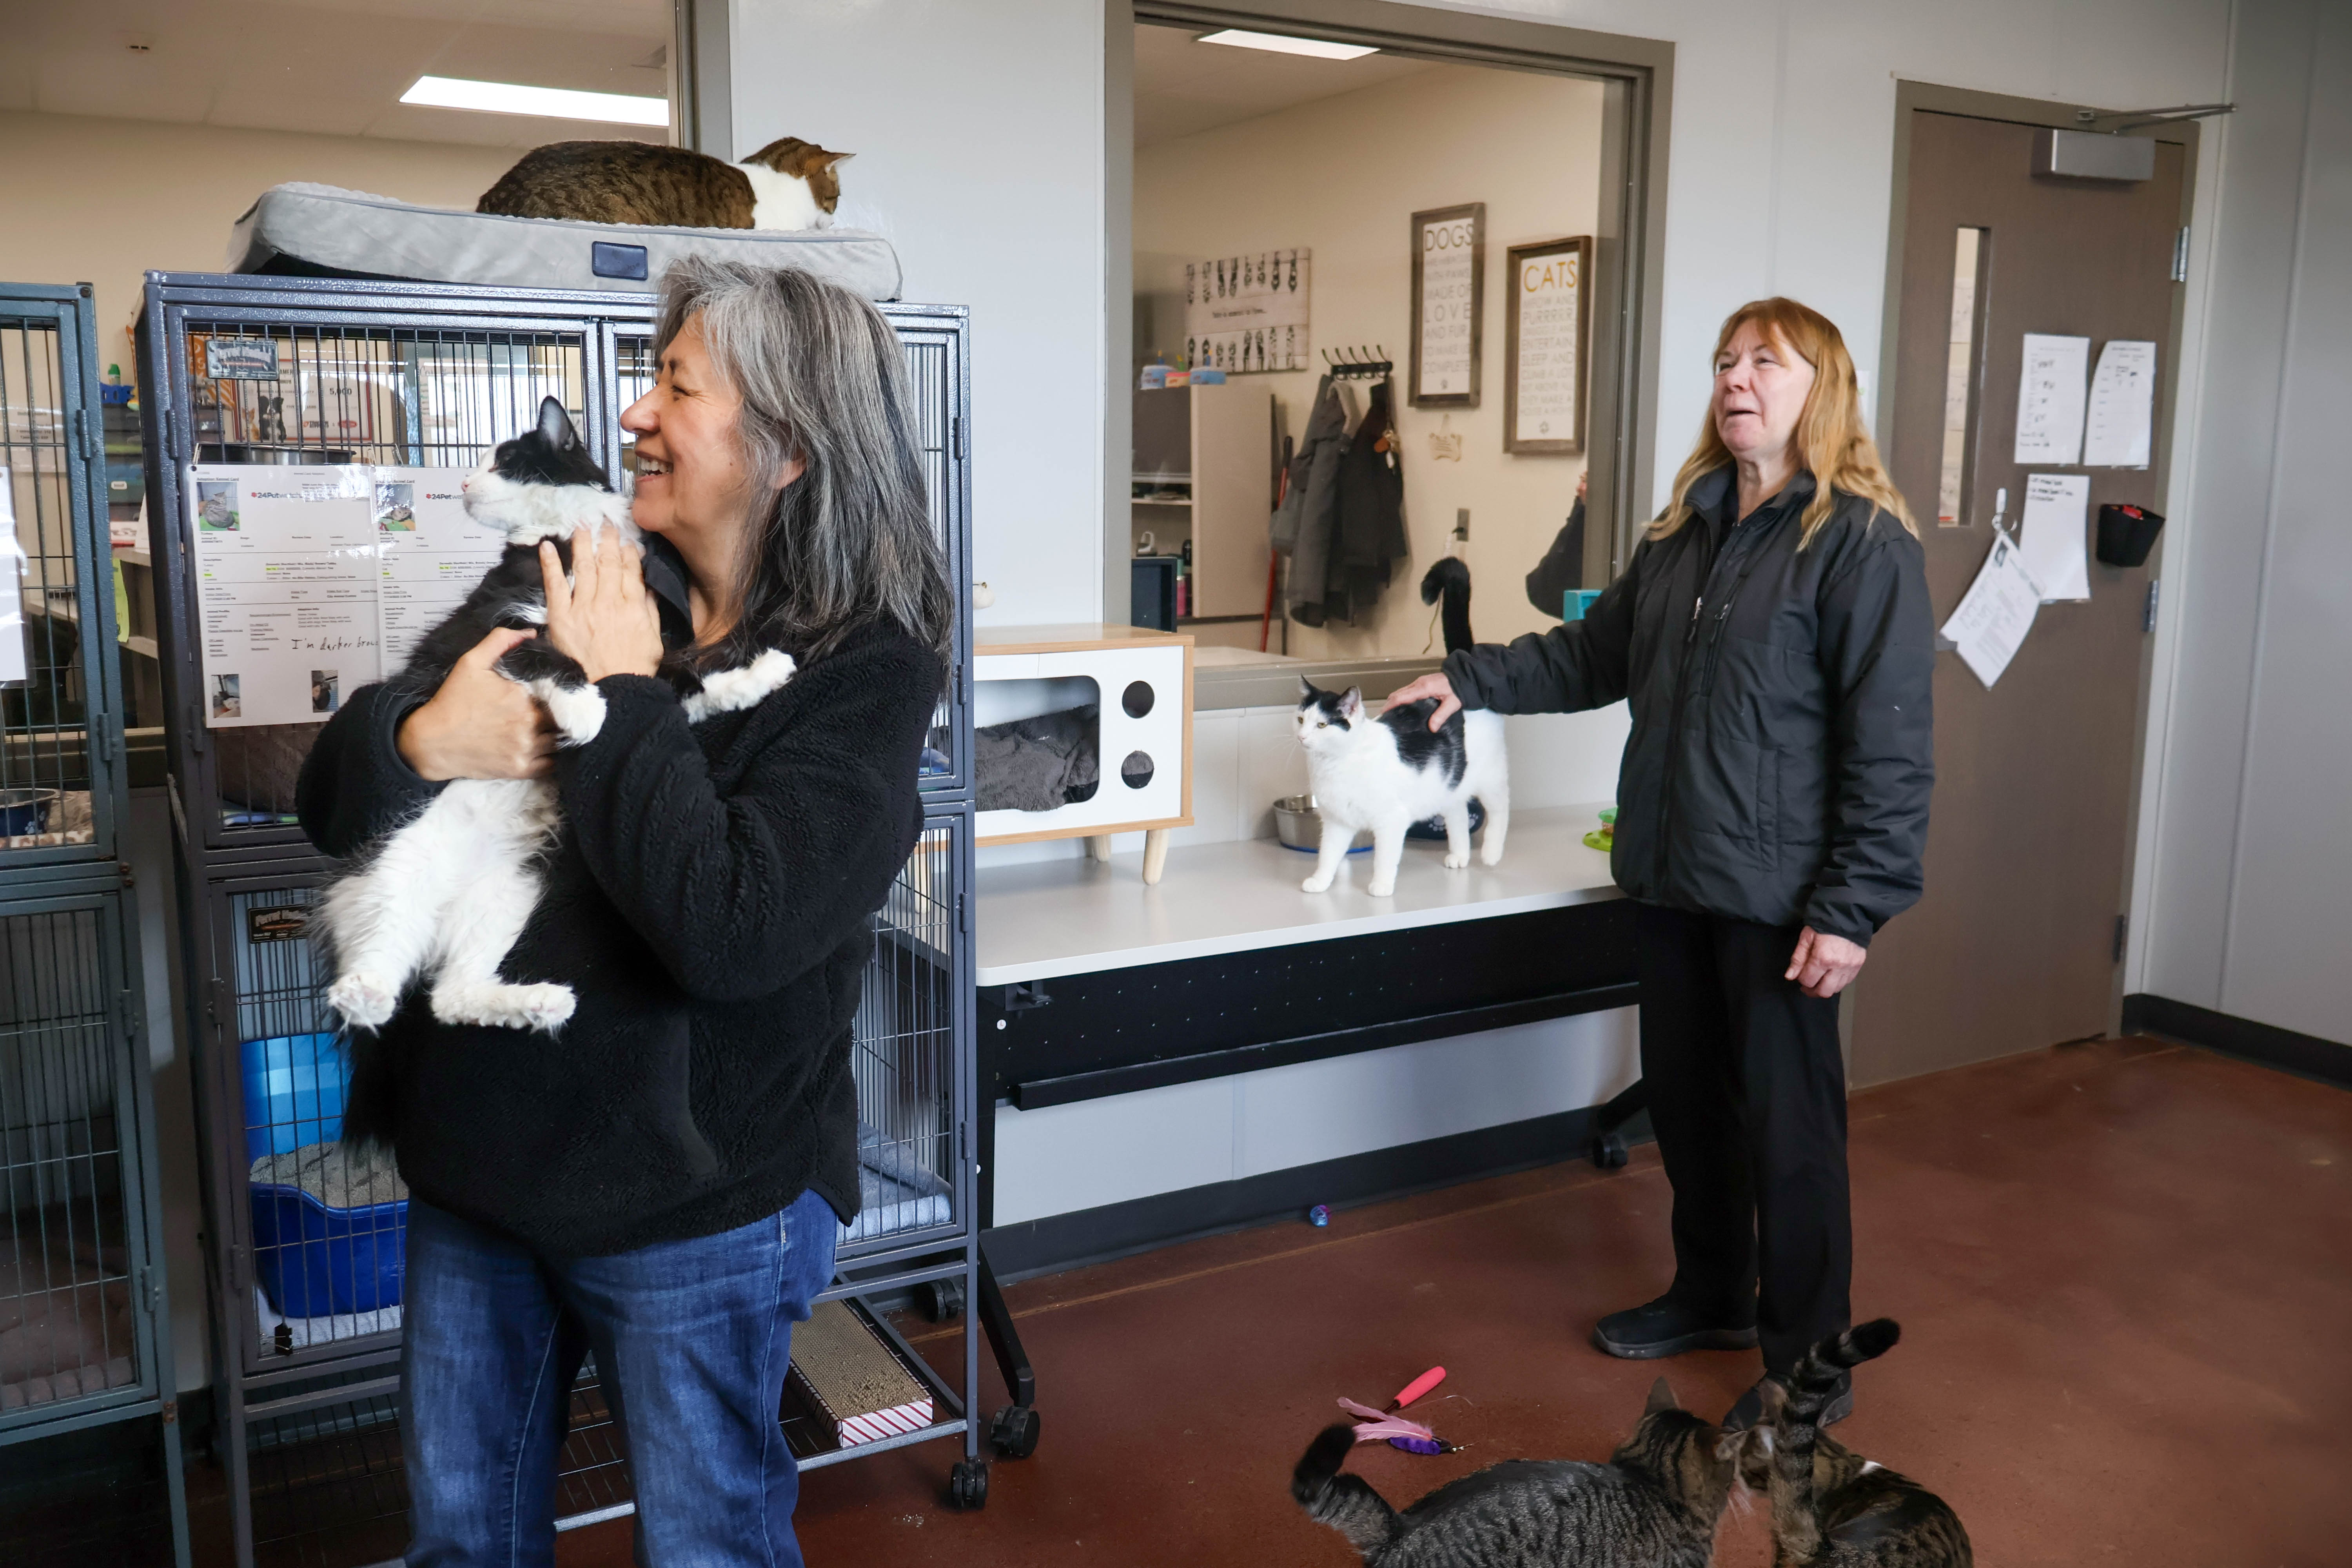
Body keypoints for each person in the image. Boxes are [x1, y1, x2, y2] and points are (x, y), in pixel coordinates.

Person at [297, 259, 952, 1565]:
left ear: (789, 452)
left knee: (708, 1547)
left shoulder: (863, 672)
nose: (636, 415)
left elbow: (734, 929)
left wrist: (623, 693)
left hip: (696, 1207)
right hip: (480, 1172)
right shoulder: (585, 570)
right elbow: (335, 802)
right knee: (462, 1543)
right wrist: (422, 736)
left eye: (676, 386)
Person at [1390, 297, 1933, 1427]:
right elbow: (1594, 654)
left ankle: (1806, 1367)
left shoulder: (1859, 544)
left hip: (1785, 900)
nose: (1737, 379)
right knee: (1691, 1114)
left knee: (1791, 1139)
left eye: (1765, 364)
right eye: (1726, 362)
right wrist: (1470, 680)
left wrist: (1854, 908)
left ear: (1819, 387)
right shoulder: (1680, 533)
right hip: (1674, 875)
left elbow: (1889, 742)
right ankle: (1712, 1296)